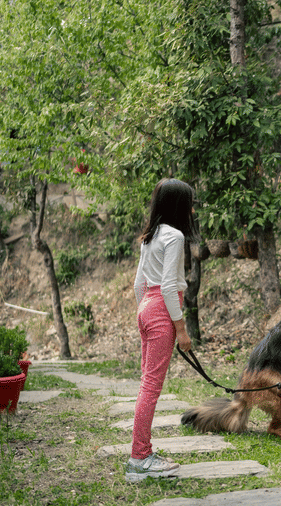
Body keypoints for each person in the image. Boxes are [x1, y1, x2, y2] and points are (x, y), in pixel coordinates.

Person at [125, 178, 195, 482]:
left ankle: (142, 453)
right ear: (179, 205)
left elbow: (140, 283)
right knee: (151, 387)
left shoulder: (150, 236)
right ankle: (139, 459)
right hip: (162, 311)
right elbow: (168, 286)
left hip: (147, 309)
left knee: (146, 384)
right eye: (190, 202)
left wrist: (144, 312)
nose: (193, 209)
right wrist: (181, 329)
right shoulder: (175, 236)